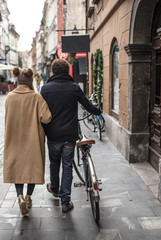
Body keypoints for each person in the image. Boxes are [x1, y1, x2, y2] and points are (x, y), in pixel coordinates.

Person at [40, 59, 102, 213]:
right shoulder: (73, 87)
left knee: (54, 163)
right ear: (67, 71)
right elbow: (87, 105)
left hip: (52, 134)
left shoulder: (45, 89)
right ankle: (65, 202)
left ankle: (54, 188)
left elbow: (41, 112)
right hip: (69, 135)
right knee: (67, 166)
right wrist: (98, 112)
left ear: (53, 71)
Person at [3, 67, 52, 215]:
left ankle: (20, 197)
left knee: (18, 170)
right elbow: (47, 118)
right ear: (31, 80)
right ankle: (29, 197)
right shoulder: (36, 97)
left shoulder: (10, 97)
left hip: (13, 140)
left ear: (18, 80)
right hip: (33, 141)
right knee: (31, 170)